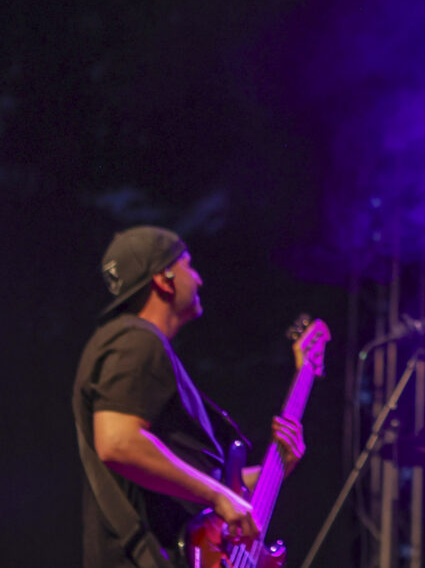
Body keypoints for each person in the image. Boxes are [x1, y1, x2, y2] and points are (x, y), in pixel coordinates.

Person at [72, 225, 306, 568]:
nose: (198, 279)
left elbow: (201, 486)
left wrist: (274, 470)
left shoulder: (136, 345)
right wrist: (217, 496)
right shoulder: (136, 340)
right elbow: (118, 442)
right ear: (164, 279)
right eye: (188, 266)